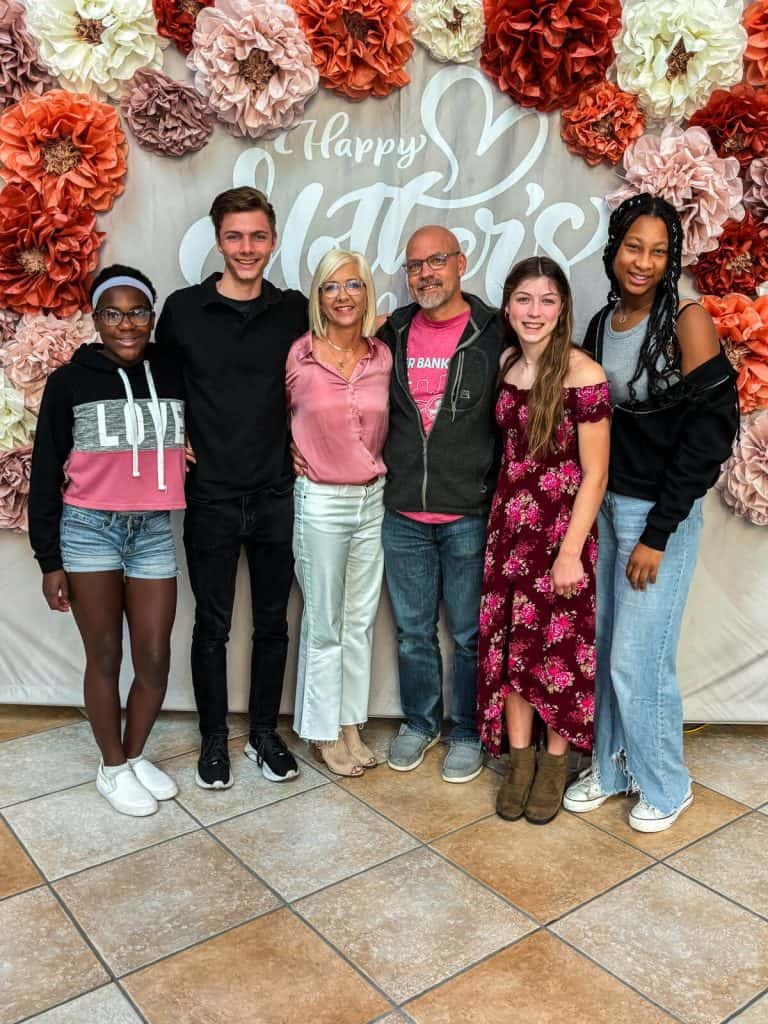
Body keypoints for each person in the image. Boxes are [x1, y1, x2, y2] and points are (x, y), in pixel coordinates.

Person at [564, 193, 739, 833]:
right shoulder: (602, 323)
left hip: (655, 519)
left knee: (640, 658)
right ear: (614, 250)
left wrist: (658, 532)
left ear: (672, 260)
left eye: (659, 251)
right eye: (634, 247)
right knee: (609, 647)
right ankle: (612, 769)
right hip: (607, 507)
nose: (644, 261)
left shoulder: (686, 322)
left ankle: (666, 784)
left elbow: (713, 432)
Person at [156, 187, 308, 790]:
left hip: (276, 493)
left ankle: (265, 735)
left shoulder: (295, 309)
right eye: (235, 237)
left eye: (259, 236)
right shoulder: (183, 309)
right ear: (219, 241)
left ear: (273, 240)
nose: (247, 248)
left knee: (273, 624)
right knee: (211, 628)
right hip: (211, 496)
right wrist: (173, 437)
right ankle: (215, 741)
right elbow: (156, 381)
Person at [28, 265, 186, 816]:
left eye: (137, 312)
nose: (126, 324)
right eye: (113, 313)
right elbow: (46, 470)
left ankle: (136, 753)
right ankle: (112, 767)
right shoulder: (69, 381)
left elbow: (206, 420)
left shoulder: (171, 371)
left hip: (153, 531)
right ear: (96, 319)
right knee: (105, 654)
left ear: (151, 316)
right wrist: (49, 559)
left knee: (155, 655)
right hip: (88, 528)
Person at [476, 257, 610, 825]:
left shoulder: (584, 373)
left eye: (548, 300)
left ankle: (555, 766)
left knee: (557, 655)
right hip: (509, 530)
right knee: (511, 649)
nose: (535, 311)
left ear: (563, 308)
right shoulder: (507, 364)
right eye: (524, 299)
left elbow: (596, 474)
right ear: (508, 306)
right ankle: (521, 762)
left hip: (561, 533)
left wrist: (571, 551)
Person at [380, 225, 504, 783]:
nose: (425, 274)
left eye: (436, 261)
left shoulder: (494, 331)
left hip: (469, 513)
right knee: (412, 630)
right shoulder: (393, 331)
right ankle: (420, 722)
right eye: (414, 266)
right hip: (403, 510)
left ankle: (468, 731)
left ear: (461, 262)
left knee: (469, 634)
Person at [287, 250, 391, 776]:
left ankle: (351, 723)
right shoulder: (298, 355)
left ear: (367, 293)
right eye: (331, 286)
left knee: (359, 621)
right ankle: (324, 730)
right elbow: (266, 413)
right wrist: (286, 445)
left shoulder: (382, 356)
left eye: (353, 284)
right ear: (318, 297)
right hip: (321, 501)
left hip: (372, 499)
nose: (343, 296)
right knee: (324, 621)